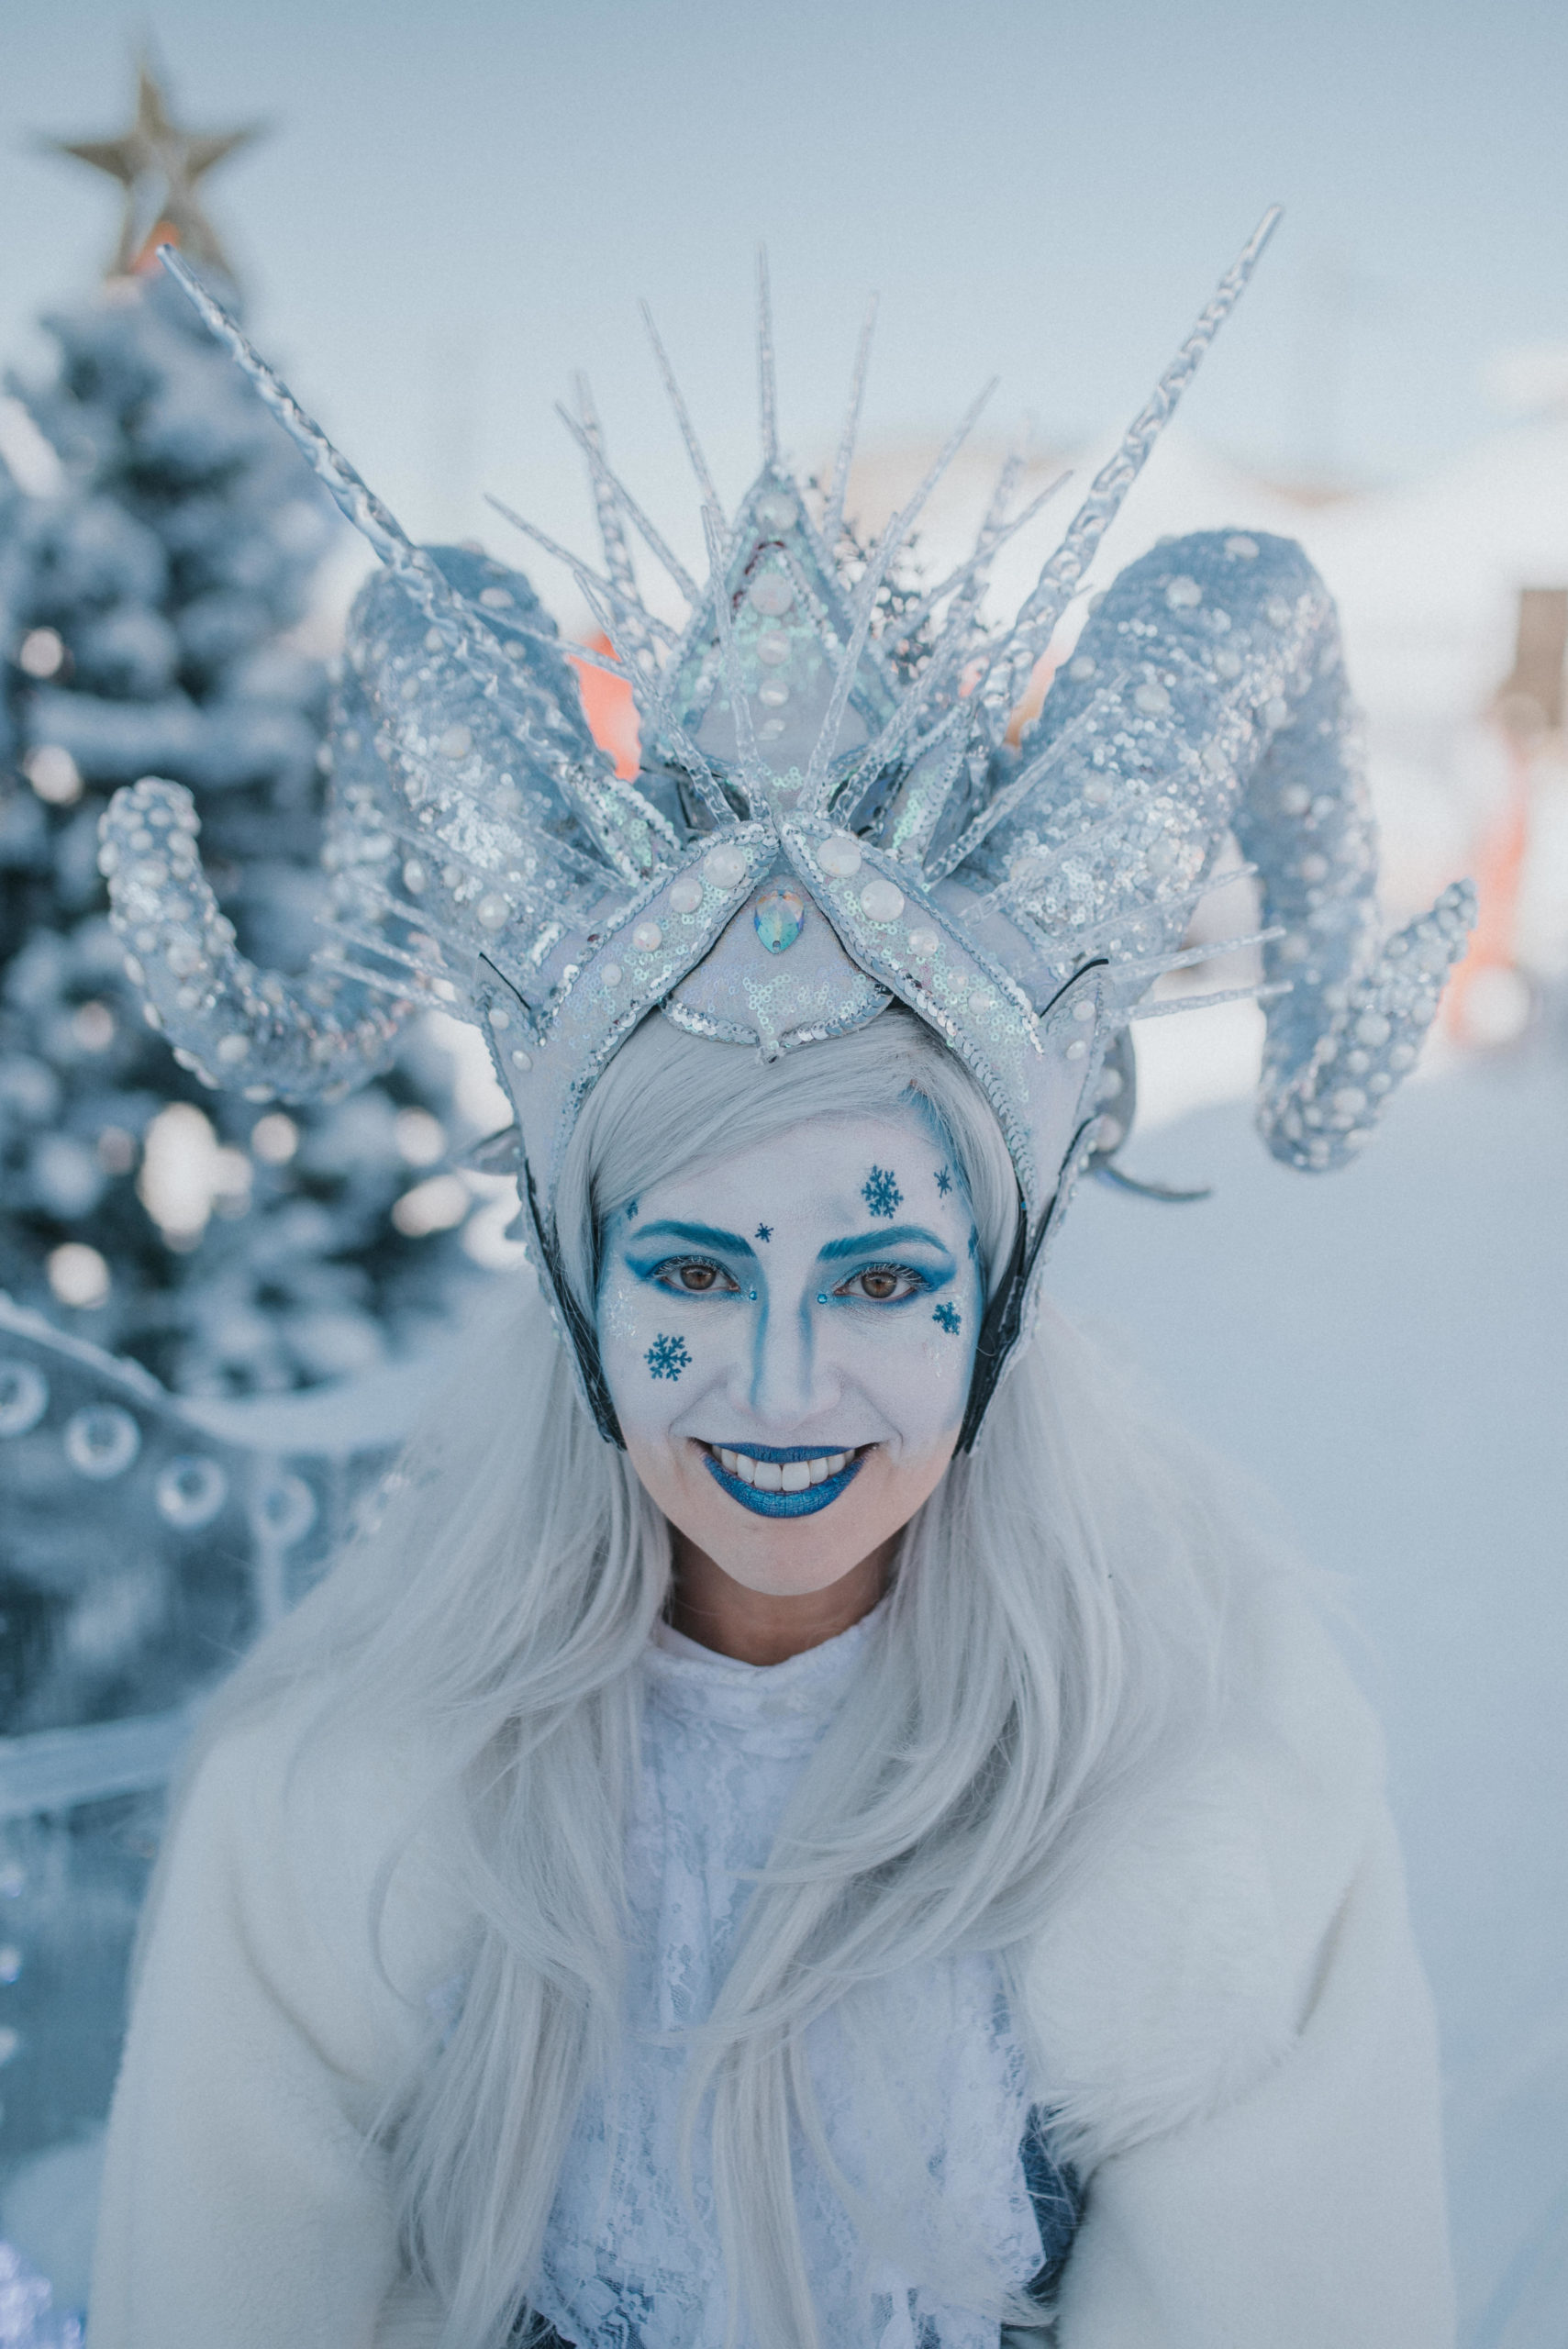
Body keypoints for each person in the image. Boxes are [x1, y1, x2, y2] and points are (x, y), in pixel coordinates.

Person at [89, 226, 1466, 2348]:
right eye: (697, 1268)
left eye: (892, 1272)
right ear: (577, 1282)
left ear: (1000, 1307)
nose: (780, 1380)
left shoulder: (1205, 1812)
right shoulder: (350, 1814)